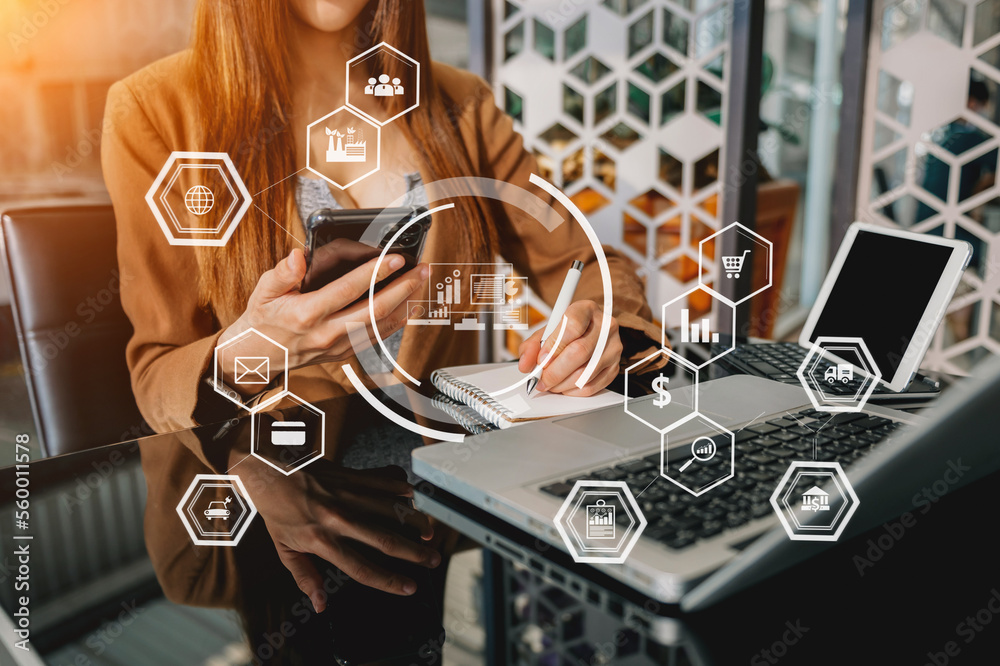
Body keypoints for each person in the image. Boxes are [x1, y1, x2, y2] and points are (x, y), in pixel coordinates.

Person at [101, 0, 662, 650]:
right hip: (267, 490)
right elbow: (157, 368)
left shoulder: (457, 102)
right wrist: (250, 357)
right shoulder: (156, 108)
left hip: (420, 487)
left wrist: (599, 320)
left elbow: (581, 259)